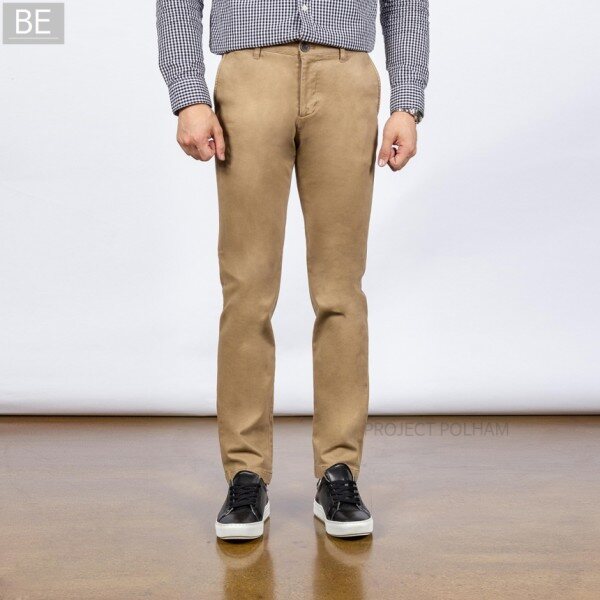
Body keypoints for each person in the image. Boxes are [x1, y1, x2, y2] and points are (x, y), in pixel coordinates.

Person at [157, 0, 429, 540]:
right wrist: (188, 93)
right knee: (247, 289)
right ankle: (245, 475)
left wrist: (407, 102)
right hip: (250, 71)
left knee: (340, 290)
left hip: (347, 75)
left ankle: (339, 473)